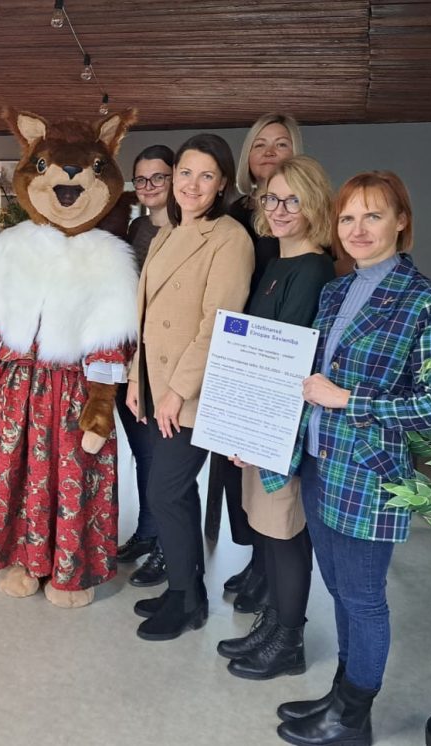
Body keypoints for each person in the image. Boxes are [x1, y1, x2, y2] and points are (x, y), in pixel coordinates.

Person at [269, 172, 431, 746]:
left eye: (373, 215)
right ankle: (342, 695)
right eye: (348, 217)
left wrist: (350, 400)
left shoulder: (427, 301)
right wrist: (258, 433)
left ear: (401, 222)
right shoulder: (335, 291)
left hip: (370, 475)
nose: (358, 229)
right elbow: (309, 382)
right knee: (338, 589)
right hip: (319, 462)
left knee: (363, 599)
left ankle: (353, 718)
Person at [212, 156, 336, 679]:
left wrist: (253, 431)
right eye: (272, 198)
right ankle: (273, 624)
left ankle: (289, 640)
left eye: (293, 200)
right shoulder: (278, 263)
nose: (280, 210)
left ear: (315, 206)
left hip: (279, 427)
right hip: (258, 423)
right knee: (266, 528)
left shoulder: (313, 268)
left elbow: (286, 361)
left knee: (284, 533)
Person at [127, 134, 253, 641]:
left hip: (191, 392)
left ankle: (189, 599)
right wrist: (136, 380)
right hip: (157, 385)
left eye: (206, 176)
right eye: (185, 173)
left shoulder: (229, 238)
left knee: (166, 490)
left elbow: (218, 324)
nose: (192, 185)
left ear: (222, 183)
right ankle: (184, 588)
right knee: (171, 492)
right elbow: (146, 317)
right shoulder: (167, 233)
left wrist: (178, 391)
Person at [215, 113, 305, 608]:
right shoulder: (236, 212)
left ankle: (271, 577)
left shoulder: (304, 229)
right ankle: (255, 562)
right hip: (237, 351)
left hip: (274, 355)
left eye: (281, 144)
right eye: (260, 144)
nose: (269, 152)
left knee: (272, 488)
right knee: (238, 478)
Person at [118, 144, 176, 588]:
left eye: (159, 177)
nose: (150, 185)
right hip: (129, 357)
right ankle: (147, 530)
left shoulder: (185, 230)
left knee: (166, 460)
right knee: (143, 453)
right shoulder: (137, 227)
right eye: (141, 178)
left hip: (164, 361)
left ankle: (166, 548)